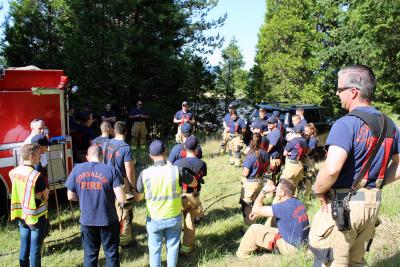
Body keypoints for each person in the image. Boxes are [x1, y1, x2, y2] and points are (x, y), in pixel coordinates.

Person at [309, 65, 400, 266]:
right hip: (371, 206)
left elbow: (332, 169)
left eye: (340, 89)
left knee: (330, 261)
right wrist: (377, 183)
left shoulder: (346, 124)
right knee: (355, 261)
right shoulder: (390, 124)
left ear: (353, 91)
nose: (336, 93)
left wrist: (317, 190)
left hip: (344, 206)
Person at [136, 140, 198, 267]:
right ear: (166, 152)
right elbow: (194, 183)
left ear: (150, 156)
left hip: (154, 219)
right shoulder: (177, 170)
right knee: (173, 247)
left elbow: (137, 197)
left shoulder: (145, 174)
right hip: (173, 217)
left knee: (154, 250)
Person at [65, 145, 126, 267]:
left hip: (87, 220)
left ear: (87, 157)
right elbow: (121, 198)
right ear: (102, 156)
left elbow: (70, 196)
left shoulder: (77, 170)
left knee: (90, 254)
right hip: (108, 220)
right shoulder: (111, 170)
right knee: (111, 253)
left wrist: (82, 199)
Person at [236, 179, 309, 259]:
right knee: (272, 218)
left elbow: (255, 209)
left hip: (292, 248)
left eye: (277, 188)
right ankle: (260, 246)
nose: (275, 188)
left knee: (254, 229)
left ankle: (242, 256)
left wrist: (263, 192)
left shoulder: (283, 207)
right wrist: (259, 212)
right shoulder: (297, 202)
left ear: (282, 193)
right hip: (302, 244)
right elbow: (274, 209)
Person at [10, 144, 49, 267]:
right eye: (38, 155)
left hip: (21, 214)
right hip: (36, 216)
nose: (40, 157)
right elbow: (46, 196)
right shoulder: (36, 175)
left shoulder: (14, 172)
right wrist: (39, 194)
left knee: (24, 247)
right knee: (35, 251)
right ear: (31, 156)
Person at [102, 121, 136, 246]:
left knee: (110, 208)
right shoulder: (125, 148)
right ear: (126, 131)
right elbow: (129, 170)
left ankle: (109, 233)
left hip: (106, 181)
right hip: (121, 183)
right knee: (124, 211)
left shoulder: (105, 144)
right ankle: (124, 241)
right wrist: (132, 186)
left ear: (114, 131)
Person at [173, 136, 207, 255]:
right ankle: (186, 249)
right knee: (189, 223)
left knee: (175, 224)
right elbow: (202, 177)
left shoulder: (177, 163)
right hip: (193, 197)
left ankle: (173, 248)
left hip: (179, 197)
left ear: (184, 147)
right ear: (197, 149)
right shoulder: (202, 164)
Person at [240, 133, 270, 226]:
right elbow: (268, 170)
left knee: (247, 204)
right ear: (261, 142)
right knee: (257, 201)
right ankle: (264, 217)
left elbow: (245, 173)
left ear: (251, 142)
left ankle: (247, 227)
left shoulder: (250, 156)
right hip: (260, 181)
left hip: (251, 183)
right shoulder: (265, 154)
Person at [266, 117, 283, 184]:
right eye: (268, 123)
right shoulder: (273, 131)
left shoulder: (275, 133)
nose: (268, 124)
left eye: (270, 123)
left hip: (273, 158)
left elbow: (271, 145)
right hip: (273, 157)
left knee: (269, 177)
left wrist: (264, 153)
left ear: (275, 124)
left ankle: (270, 193)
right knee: (271, 176)